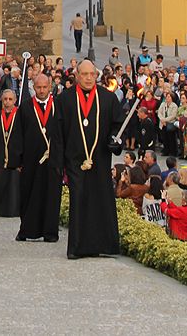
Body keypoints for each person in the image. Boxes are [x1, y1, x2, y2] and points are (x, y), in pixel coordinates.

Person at [58, 59, 124, 259]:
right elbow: (58, 132)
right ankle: (78, 247)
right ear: (76, 76)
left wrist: (115, 141)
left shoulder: (107, 98)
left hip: (100, 159)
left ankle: (104, 245)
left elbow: (117, 126)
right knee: (79, 200)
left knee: (101, 199)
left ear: (97, 76)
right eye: (84, 74)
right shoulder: (65, 99)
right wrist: (58, 162)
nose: (88, 78)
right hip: (75, 159)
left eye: (91, 75)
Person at [17, 71, 62, 243]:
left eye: (44, 87)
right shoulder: (26, 107)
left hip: (52, 160)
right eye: (38, 87)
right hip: (31, 159)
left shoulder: (58, 106)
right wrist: (18, 159)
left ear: (50, 87)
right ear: (33, 87)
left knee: (51, 195)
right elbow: (19, 134)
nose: (42, 90)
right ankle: (27, 230)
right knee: (29, 193)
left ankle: (50, 232)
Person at [0, 88, 23, 217]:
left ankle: (13, 209)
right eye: (5, 99)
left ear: (15, 100)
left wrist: (22, 159)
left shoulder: (20, 115)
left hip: (15, 155)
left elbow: (23, 138)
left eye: (10, 99)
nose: (7, 102)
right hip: (0, 155)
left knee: (14, 184)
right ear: (1, 100)